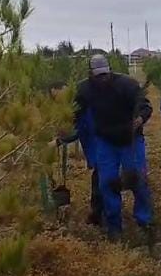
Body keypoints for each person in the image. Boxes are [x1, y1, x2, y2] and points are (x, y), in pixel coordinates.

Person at [74, 55, 154, 243]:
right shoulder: (84, 89)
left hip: (130, 139)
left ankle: (144, 220)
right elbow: (75, 112)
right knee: (106, 182)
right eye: (98, 75)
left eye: (105, 74)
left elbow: (145, 106)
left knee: (138, 180)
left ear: (109, 70)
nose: (102, 78)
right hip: (105, 142)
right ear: (91, 74)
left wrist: (140, 119)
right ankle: (114, 227)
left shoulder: (127, 85)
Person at [47, 81, 104, 227]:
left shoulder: (83, 102)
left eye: (59, 95)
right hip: (96, 145)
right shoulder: (73, 106)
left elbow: (80, 129)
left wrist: (59, 141)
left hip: (102, 144)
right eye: (55, 98)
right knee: (100, 179)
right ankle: (99, 215)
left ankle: (100, 218)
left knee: (101, 181)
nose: (59, 100)